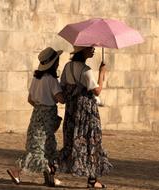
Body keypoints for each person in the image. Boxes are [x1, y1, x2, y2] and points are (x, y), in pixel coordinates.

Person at [7, 47, 64, 187]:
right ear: (54, 63)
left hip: (37, 114)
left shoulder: (36, 78)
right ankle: (16, 171)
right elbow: (61, 99)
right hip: (48, 117)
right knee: (42, 148)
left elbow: (30, 99)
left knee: (43, 146)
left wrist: (40, 107)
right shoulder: (52, 80)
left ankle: (49, 178)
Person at [59, 46, 112, 188]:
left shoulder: (68, 67)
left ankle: (53, 168)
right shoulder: (86, 70)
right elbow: (97, 91)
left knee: (72, 142)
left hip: (72, 111)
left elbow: (62, 86)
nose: (93, 49)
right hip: (87, 113)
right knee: (92, 142)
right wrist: (101, 74)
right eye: (90, 47)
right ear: (82, 50)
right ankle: (92, 180)